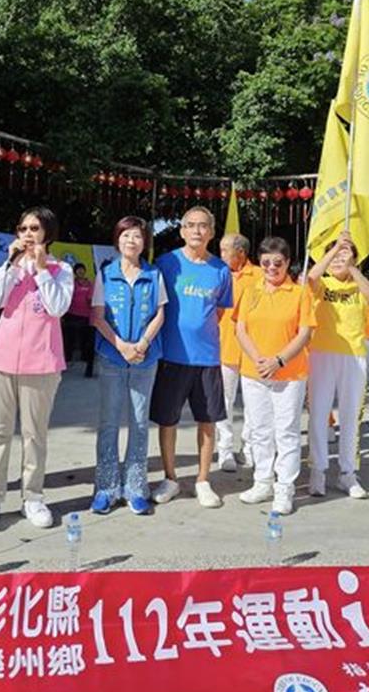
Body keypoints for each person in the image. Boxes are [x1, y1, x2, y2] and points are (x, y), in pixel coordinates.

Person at [0, 207, 73, 532]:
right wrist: (9, 266)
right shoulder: (11, 267)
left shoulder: (62, 270)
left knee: (34, 434)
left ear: (48, 232)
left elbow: (58, 307)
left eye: (35, 227)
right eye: (23, 228)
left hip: (41, 363)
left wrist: (43, 270)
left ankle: (32, 497)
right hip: (1, 361)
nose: (28, 233)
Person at [149, 206, 232, 508]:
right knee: (167, 420)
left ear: (212, 232)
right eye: (191, 225)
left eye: (203, 226)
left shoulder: (221, 270)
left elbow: (220, 310)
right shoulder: (166, 263)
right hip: (171, 356)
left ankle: (202, 480)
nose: (197, 231)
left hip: (207, 359)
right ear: (182, 230)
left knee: (207, 422)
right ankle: (170, 478)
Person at [90, 216, 167, 515]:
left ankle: (136, 487)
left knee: (138, 422)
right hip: (112, 356)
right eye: (125, 236)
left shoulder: (154, 274)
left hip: (145, 358)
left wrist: (143, 344)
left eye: (136, 236)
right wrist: (120, 344)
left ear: (144, 242)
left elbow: (160, 313)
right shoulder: (106, 274)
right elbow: (97, 316)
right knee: (109, 422)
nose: (131, 241)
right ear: (117, 240)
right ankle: (106, 488)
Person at [235, 237, 316, 514]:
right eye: (266, 262)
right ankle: (262, 481)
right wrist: (258, 358)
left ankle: (285, 488)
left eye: (278, 263)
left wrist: (279, 360)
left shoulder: (300, 293)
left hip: (290, 374)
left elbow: (304, 333)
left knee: (287, 432)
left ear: (288, 263)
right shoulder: (251, 291)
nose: (271, 268)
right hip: (254, 371)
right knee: (259, 431)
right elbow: (241, 329)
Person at [307, 231, 369, 500]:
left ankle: (348, 473)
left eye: (344, 256)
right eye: (333, 256)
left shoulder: (359, 285)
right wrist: (335, 248)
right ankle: (318, 470)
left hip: (353, 355)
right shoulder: (322, 284)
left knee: (350, 415)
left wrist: (352, 268)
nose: (338, 260)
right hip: (321, 353)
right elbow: (310, 278)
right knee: (318, 414)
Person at [217, 233, 258, 472]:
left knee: (254, 404)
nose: (221, 255)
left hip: (254, 349)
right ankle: (225, 450)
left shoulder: (261, 276)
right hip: (225, 347)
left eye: (225, 250)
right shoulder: (219, 274)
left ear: (240, 253)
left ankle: (249, 447)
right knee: (224, 401)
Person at [63, 263, 95, 377]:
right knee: (68, 340)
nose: (80, 272)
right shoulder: (71, 283)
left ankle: (85, 362)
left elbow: (91, 299)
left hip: (85, 316)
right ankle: (66, 361)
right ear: (75, 272)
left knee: (85, 340)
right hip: (71, 315)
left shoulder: (89, 284)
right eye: (78, 270)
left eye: (82, 269)